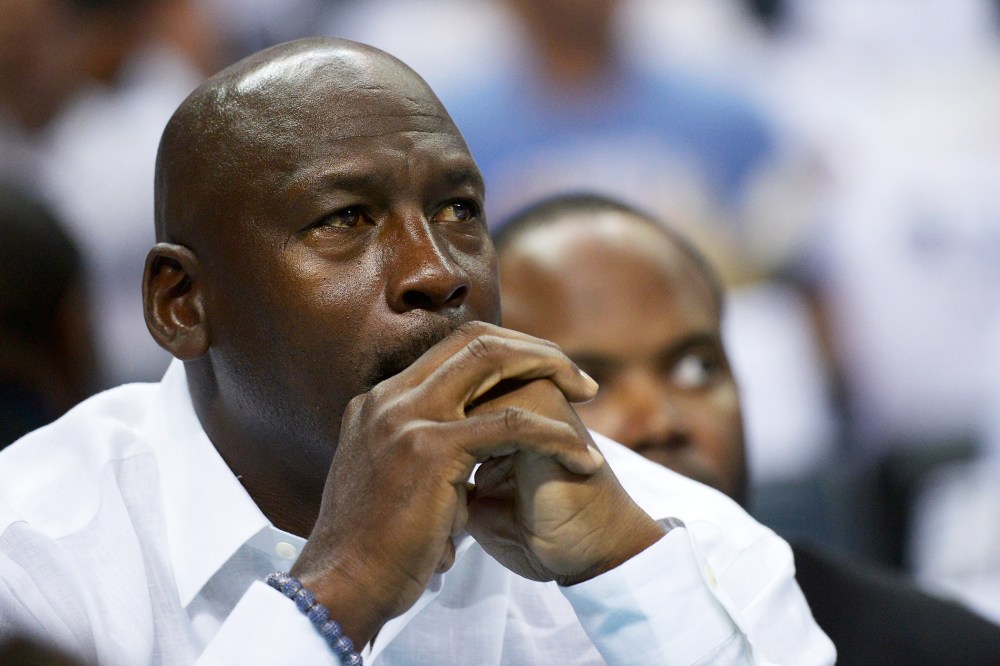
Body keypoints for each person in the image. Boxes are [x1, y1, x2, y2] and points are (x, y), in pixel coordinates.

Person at [0, 38, 834, 664]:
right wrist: (334, 594)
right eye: (345, 220)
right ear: (182, 303)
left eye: (459, 210)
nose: (437, 274)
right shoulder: (33, 553)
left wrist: (623, 580)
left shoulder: (672, 537)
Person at [495, 192, 1000, 664]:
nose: (661, 421)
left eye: (697, 368)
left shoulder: (935, 649)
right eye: (587, 382)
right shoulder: (438, 639)